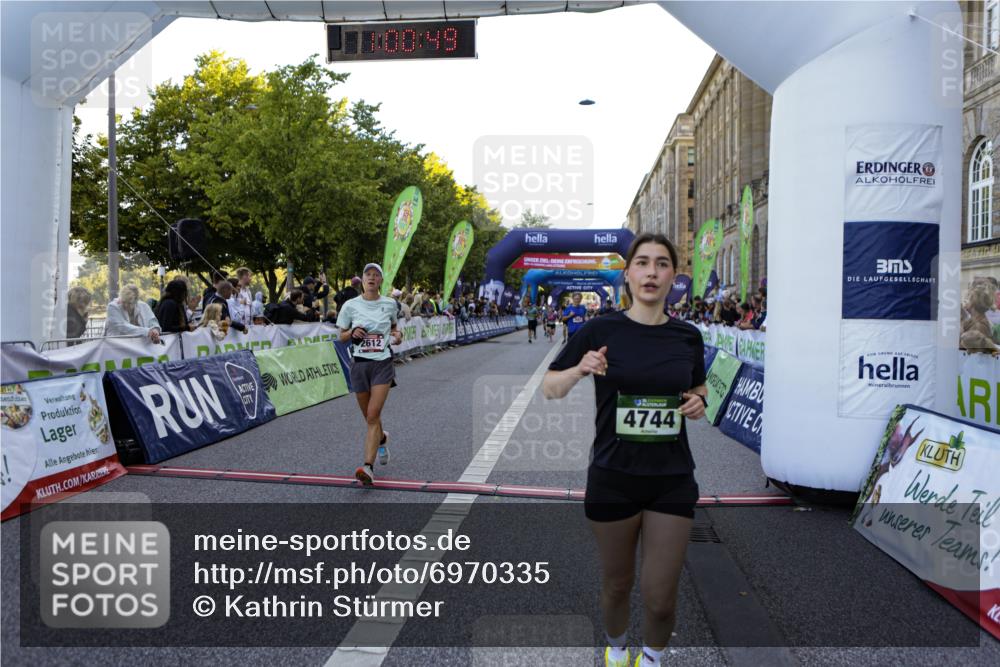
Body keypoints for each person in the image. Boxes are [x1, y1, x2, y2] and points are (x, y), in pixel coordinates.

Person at [542, 232, 707, 667]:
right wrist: (579, 368)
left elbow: (699, 384)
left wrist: (699, 400)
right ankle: (616, 650)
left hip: (671, 479)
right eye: (643, 263)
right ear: (628, 273)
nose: (652, 272)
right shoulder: (600, 328)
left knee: (660, 598)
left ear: (674, 275)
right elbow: (550, 388)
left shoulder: (688, 336)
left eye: (662, 264)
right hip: (613, 476)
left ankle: (651, 658)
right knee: (617, 585)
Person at [337, 263, 403, 486]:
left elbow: (394, 327)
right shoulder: (350, 305)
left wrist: (397, 334)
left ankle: (367, 467)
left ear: (381, 281)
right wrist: (352, 332)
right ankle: (382, 438)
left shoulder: (389, 304)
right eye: (368, 275)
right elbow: (341, 337)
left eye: (376, 275)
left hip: (382, 364)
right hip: (359, 365)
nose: (372, 278)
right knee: (369, 417)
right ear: (363, 280)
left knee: (373, 414)